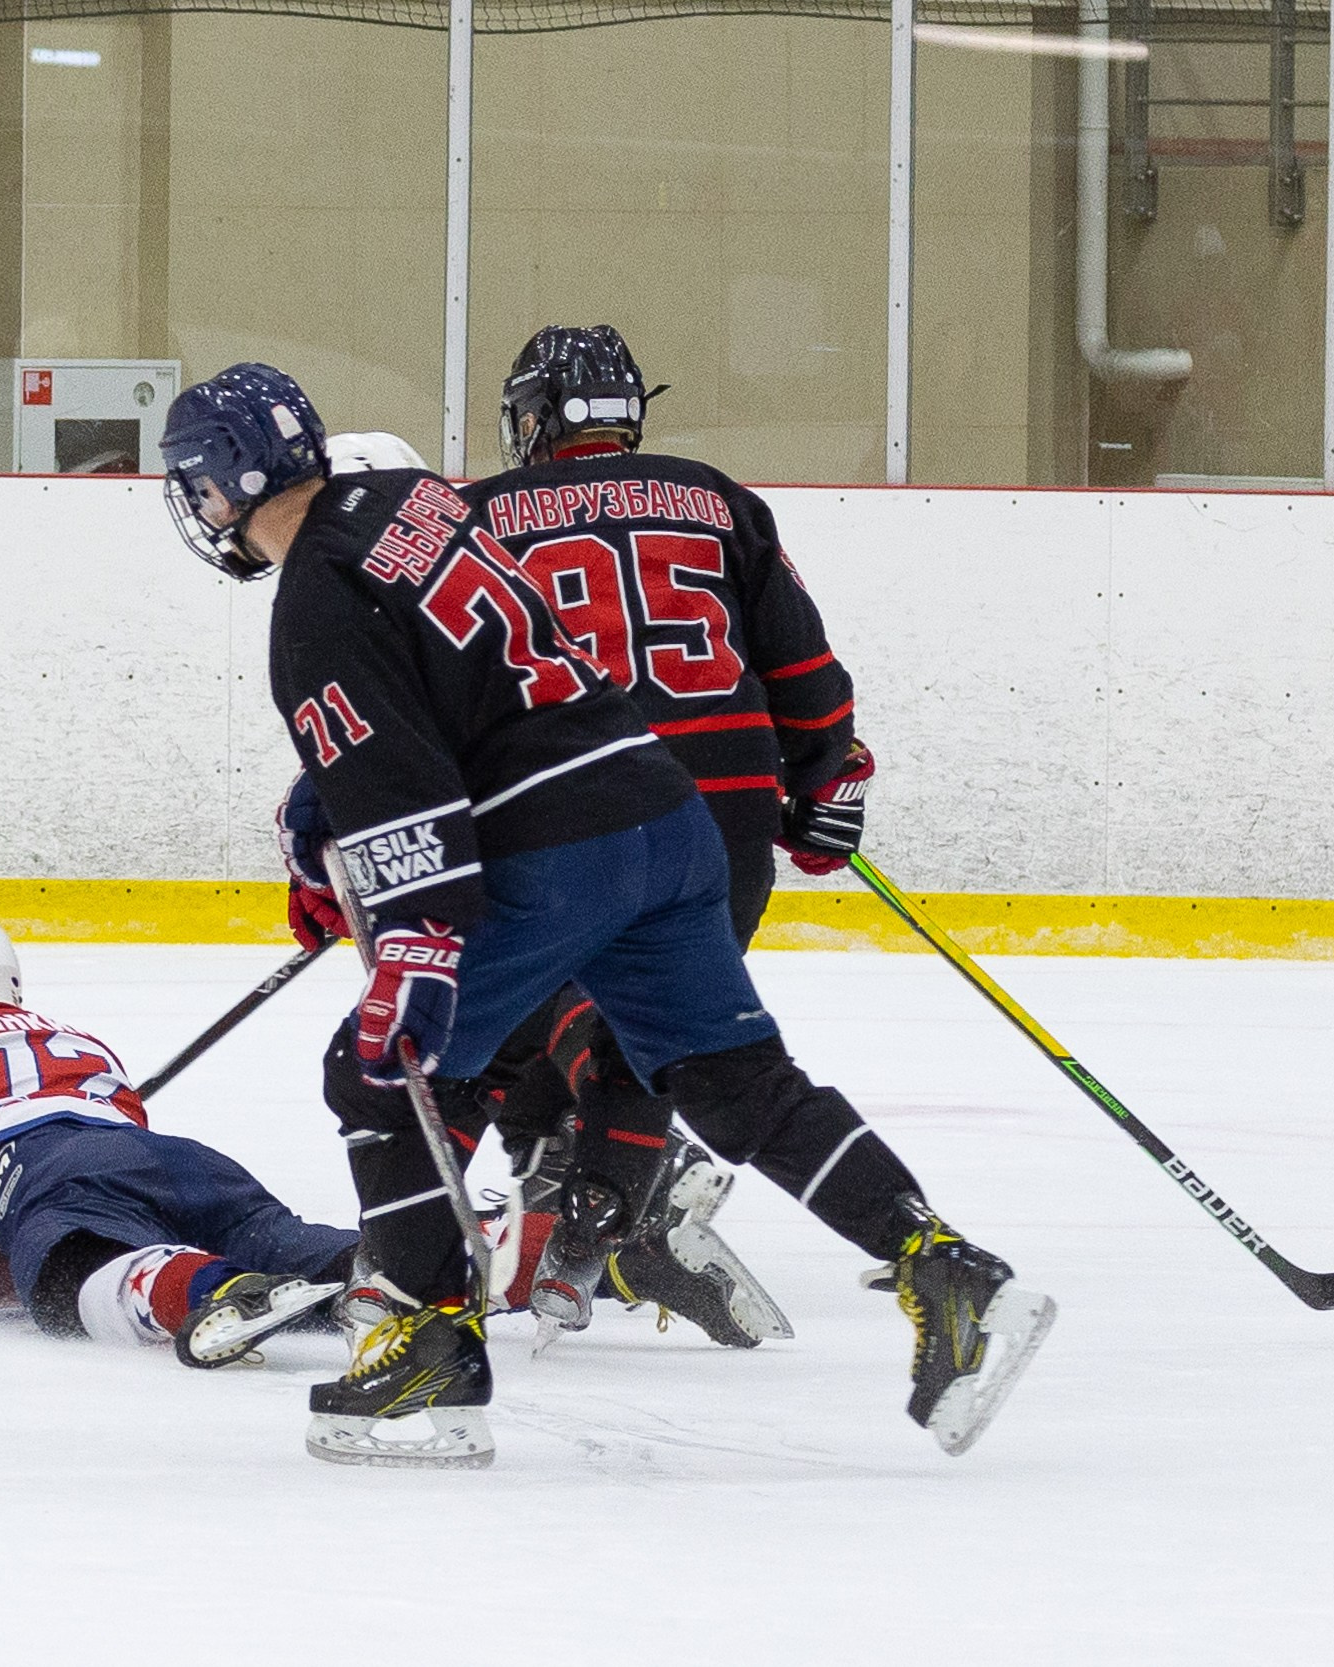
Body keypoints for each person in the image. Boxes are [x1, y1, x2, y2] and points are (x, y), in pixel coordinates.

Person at [159, 363, 1052, 1468]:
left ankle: (428, 1345)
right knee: (734, 1079)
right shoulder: (414, 503)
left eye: (192, 486)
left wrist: (414, 947)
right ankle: (948, 1271)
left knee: (381, 1072)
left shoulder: (311, 615)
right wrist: (320, 809)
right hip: (662, 818)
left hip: (555, 852)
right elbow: (452, 683)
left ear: (219, 486)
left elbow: (407, 784)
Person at [461, 323, 871, 1344]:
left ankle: (579, 1199)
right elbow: (804, 672)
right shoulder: (718, 498)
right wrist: (827, 783)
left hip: (566, 810)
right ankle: (598, 1204)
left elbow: (443, 678)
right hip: (723, 822)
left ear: (536, 415)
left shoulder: (476, 518)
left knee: (505, 1009)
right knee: (662, 1019)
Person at [0, 909, 358, 1367]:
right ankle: (397, 1276)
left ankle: (207, 1287)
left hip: (44, 1169)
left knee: (67, 1277)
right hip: (178, 1160)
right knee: (274, 1237)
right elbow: (121, 1159)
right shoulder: (77, 1039)